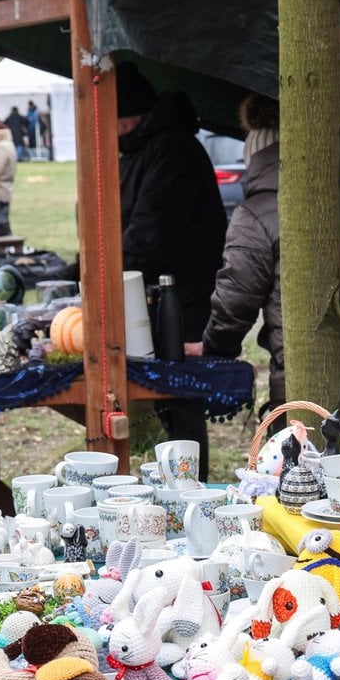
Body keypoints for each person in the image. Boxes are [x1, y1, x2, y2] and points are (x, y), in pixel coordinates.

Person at [195, 94, 340, 404]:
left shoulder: (256, 213)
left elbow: (234, 303)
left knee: (309, 451)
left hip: (313, 372)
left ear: (256, 157)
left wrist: (212, 350)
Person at [115, 61, 227, 456]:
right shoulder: (142, 150)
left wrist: (103, 273)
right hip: (159, 290)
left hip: (182, 295)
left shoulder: (171, 150)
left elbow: (149, 235)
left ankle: (188, 483)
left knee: (179, 393)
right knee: (171, 394)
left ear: (128, 116)